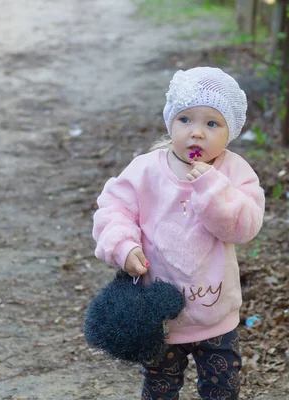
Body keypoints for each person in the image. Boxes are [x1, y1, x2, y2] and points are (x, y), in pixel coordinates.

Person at [92, 67, 265, 400]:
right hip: (160, 316)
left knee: (223, 387)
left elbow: (245, 226)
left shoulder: (233, 171)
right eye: (186, 119)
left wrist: (211, 188)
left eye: (212, 123)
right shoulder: (145, 170)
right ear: (170, 121)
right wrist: (124, 247)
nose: (197, 133)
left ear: (229, 133)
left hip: (216, 316)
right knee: (159, 388)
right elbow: (113, 210)